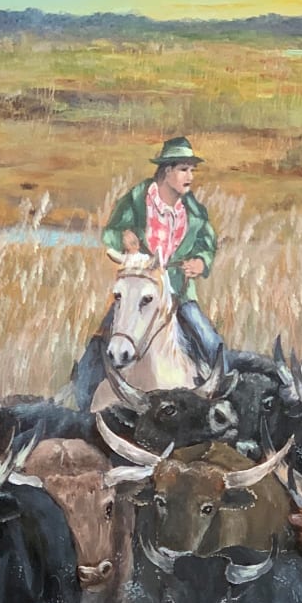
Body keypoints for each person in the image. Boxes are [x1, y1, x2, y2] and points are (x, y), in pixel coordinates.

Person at [71, 136, 223, 411]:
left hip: (178, 293)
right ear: (167, 171)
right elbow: (111, 232)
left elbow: (207, 245)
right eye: (184, 169)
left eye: (192, 170)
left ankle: (217, 405)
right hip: (137, 289)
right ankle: (81, 409)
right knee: (96, 351)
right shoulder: (137, 199)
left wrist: (200, 262)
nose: (190, 176)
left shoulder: (195, 212)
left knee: (211, 343)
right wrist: (124, 236)